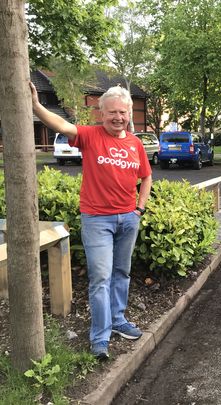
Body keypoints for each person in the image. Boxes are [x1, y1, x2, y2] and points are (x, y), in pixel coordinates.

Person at [30, 82, 152, 359]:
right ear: (101, 113)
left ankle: (119, 320)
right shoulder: (90, 136)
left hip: (128, 220)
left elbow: (146, 176)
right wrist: (37, 106)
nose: (118, 117)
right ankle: (100, 337)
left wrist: (139, 209)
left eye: (122, 112)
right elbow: (62, 126)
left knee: (121, 274)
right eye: (112, 113)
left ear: (129, 113)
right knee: (100, 279)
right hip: (97, 220)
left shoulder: (135, 143)